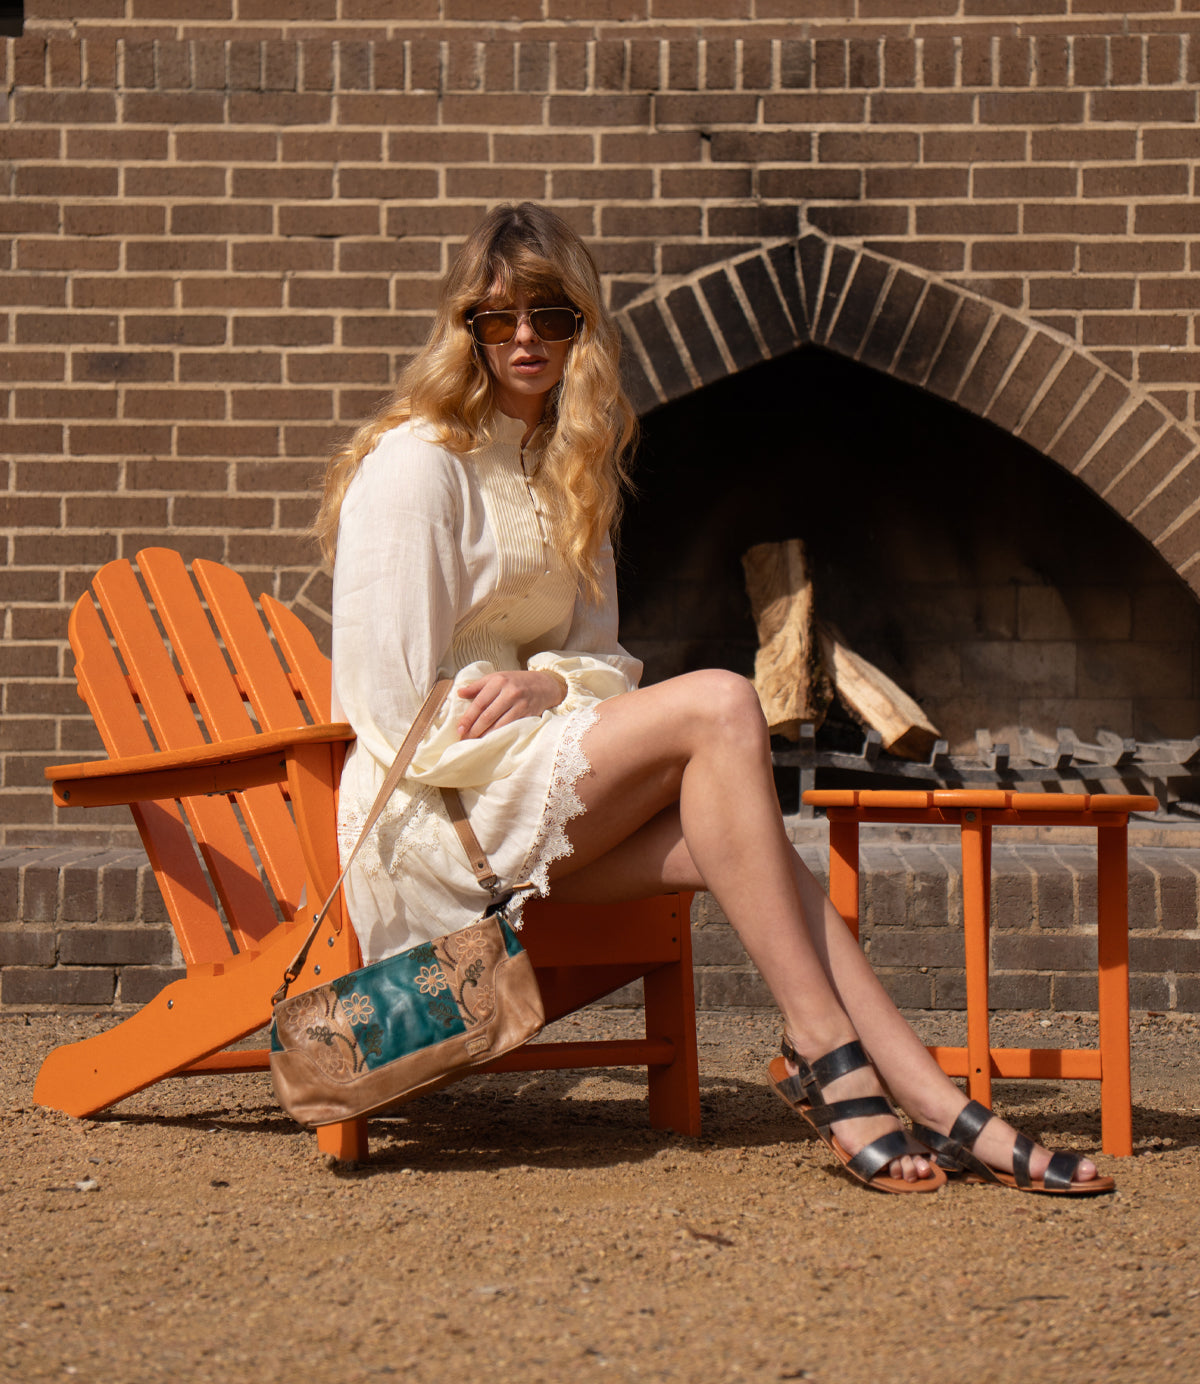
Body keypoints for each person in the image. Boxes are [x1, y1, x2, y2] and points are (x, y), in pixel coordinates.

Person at [315, 202, 1112, 1197]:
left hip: (528, 794)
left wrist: (546, 682)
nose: (525, 338)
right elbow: (386, 701)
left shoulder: (567, 467)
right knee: (726, 702)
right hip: (436, 812)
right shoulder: (416, 465)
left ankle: (936, 1099)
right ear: (465, 328)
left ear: (582, 328)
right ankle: (826, 1051)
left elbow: (601, 660)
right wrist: (510, 697)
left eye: (552, 316)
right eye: (498, 317)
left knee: (750, 846)